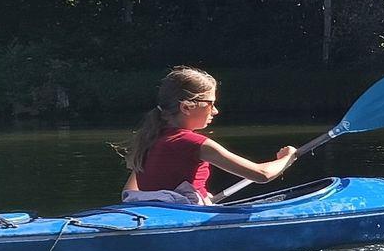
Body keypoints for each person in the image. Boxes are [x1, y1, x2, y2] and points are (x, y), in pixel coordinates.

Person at [120, 67, 298, 205]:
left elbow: (130, 191)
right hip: (188, 216)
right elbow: (262, 174)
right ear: (186, 107)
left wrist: (199, 195)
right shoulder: (195, 143)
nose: (215, 111)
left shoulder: (149, 138)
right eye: (210, 103)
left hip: (157, 212)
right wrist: (287, 158)